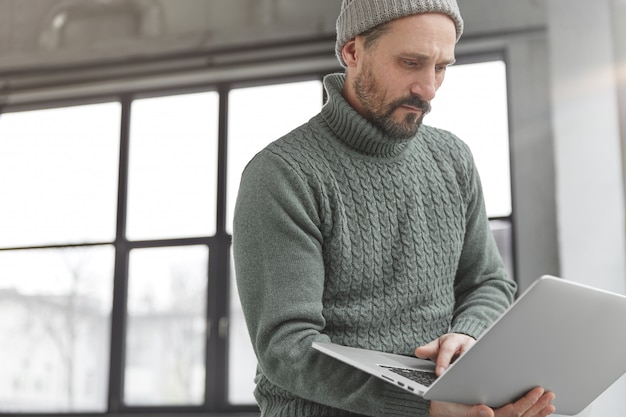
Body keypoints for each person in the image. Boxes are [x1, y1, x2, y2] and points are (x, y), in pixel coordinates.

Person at [232, 0, 556, 416]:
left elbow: (488, 283)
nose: (429, 89)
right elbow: (288, 349)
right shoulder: (282, 175)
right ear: (352, 51)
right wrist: (424, 407)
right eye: (410, 63)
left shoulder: (453, 158)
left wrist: (467, 335)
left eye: (441, 67)